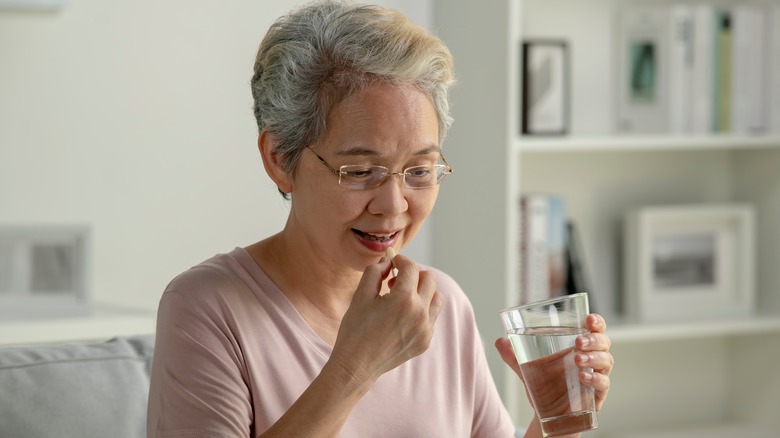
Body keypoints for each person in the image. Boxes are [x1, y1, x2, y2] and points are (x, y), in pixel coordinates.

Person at [146, 1, 614, 437]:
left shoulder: (440, 304)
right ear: (279, 158)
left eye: (419, 170)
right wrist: (355, 366)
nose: (393, 206)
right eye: (361, 171)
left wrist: (556, 420)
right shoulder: (207, 308)